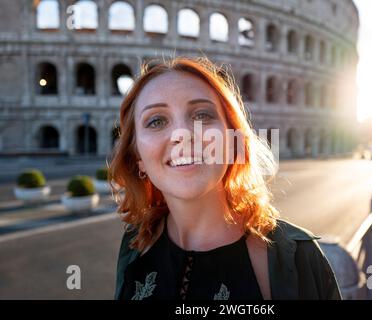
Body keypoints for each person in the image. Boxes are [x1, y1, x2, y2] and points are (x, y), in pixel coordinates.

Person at [108, 56, 341, 300]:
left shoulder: (299, 259)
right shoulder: (135, 244)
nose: (183, 134)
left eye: (202, 115)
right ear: (138, 159)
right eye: (156, 121)